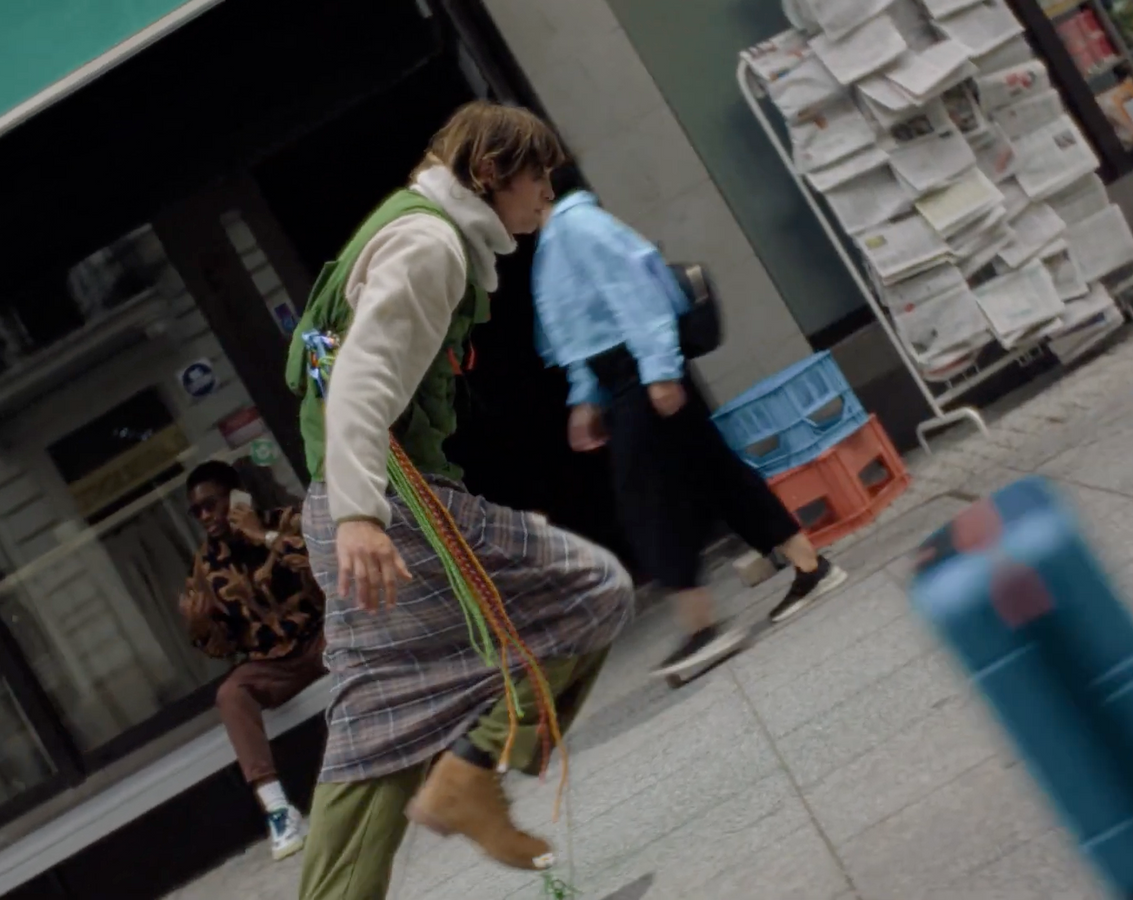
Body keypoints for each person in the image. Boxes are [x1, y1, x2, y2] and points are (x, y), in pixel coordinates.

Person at [284, 102, 636, 900]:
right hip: (389, 505)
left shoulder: (421, 232)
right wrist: (361, 516)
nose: (547, 189)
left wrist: (351, 511)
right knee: (591, 592)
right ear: (490, 174)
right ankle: (473, 773)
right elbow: (362, 381)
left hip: (358, 499)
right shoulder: (428, 243)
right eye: (536, 173)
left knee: (374, 730)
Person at [531, 164, 847, 681]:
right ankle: (811, 567)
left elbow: (636, 297)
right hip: (626, 374)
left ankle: (703, 627)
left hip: (638, 373)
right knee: (714, 473)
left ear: (537, 182)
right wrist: (587, 396)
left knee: (646, 499)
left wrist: (656, 372)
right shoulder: (559, 236)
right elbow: (584, 332)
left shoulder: (576, 228)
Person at [178, 460, 327, 861]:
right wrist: (200, 628)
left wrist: (263, 536)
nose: (206, 517)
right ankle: (279, 810)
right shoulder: (206, 566)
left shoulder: (286, 519)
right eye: (197, 511)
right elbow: (223, 648)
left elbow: (325, 559)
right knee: (231, 694)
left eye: (212, 504)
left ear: (238, 495)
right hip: (273, 665)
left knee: (360, 631)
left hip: (321, 636)